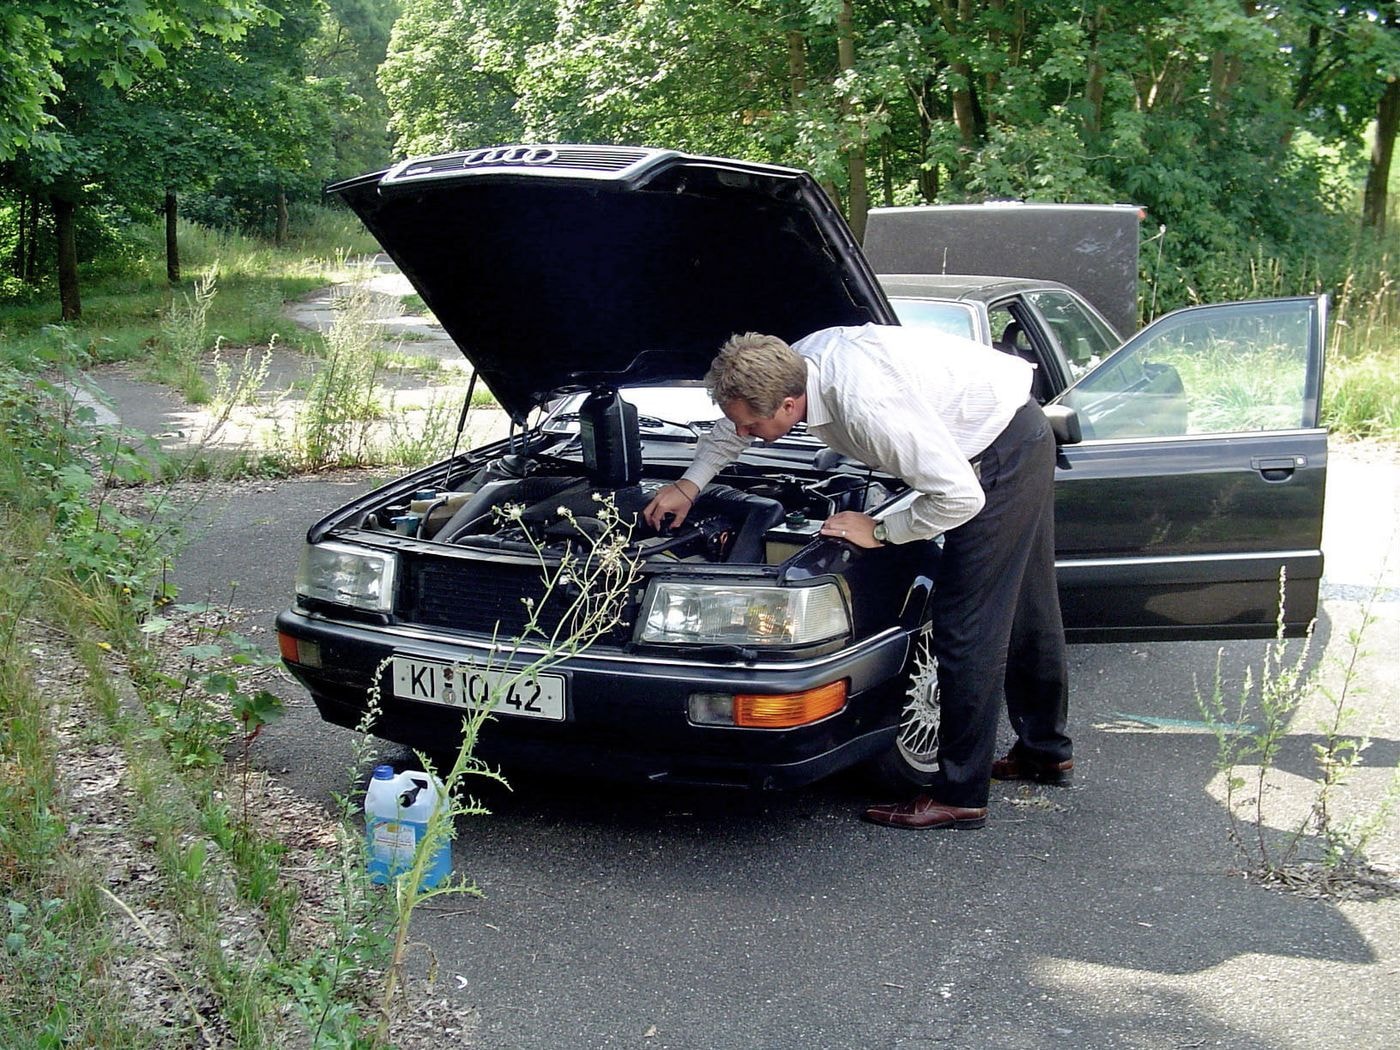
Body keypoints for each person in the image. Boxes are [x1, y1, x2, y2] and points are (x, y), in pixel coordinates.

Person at [642, 325, 1072, 829]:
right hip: (1005, 431)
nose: (743, 435)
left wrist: (882, 531)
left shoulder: (866, 407)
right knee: (1028, 601)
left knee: (967, 623)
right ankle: (1046, 751)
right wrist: (690, 485)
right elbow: (729, 428)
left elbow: (959, 497)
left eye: (752, 427)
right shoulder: (782, 365)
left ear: (788, 404)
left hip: (998, 452)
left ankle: (961, 793)